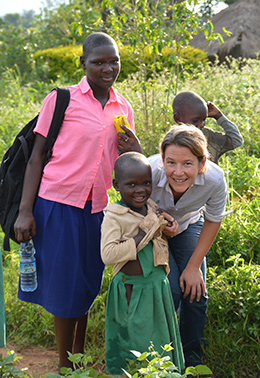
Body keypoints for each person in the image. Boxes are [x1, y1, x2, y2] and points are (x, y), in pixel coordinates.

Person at [13, 32, 142, 371]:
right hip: (57, 203)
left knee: (87, 280)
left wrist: (137, 147)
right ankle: (65, 365)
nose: (107, 68)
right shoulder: (62, 100)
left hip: (98, 208)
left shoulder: (122, 106)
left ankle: (78, 355)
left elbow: (125, 163)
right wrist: (25, 211)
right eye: (98, 62)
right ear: (83, 63)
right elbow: (36, 156)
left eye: (113, 60)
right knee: (66, 284)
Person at [148, 124, 228, 367]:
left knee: (195, 290)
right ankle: (158, 359)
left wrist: (194, 267)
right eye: (171, 162)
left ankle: (191, 359)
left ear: (202, 163)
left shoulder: (214, 179)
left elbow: (214, 219)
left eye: (188, 164)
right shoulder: (148, 172)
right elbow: (130, 208)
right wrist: (158, 221)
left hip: (189, 224)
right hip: (150, 230)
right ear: (162, 159)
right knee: (169, 290)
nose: (178, 172)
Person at [101, 152, 185, 375]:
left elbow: (160, 229)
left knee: (160, 339)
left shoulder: (150, 206)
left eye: (146, 183)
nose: (140, 189)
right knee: (136, 341)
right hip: (132, 289)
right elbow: (108, 255)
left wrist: (169, 226)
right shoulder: (114, 216)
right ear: (116, 185)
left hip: (158, 286)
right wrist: (139, 237)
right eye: (131, 184)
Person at [172, 90, 243, 164]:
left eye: (203, 120)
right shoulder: (172, 140)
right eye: (195, 121)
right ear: (177, 118)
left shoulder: (207, 136)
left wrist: (219, 116)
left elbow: (236, 140)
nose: (201, 125)